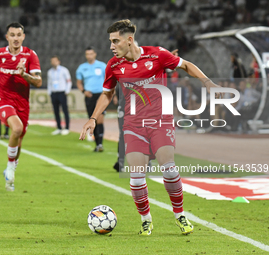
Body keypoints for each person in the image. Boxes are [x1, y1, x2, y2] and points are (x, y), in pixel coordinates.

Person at [80, 19, 222, 236]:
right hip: (134, 125)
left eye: (115, 41)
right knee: (136, 178)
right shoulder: (114, 66)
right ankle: (146, 219)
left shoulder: (157, 55)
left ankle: (180, 214)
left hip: (160, 122)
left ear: (129, 40)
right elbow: (107, 93)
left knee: (169, 169)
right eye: (110, 41)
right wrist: (92, 117)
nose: (111, 46)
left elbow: (186, 65)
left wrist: (207, 82)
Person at [0, 22, 42, 191]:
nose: (16, 38)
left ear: (23, 36)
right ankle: (11, 168)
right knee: (17, 128)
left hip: (22, 102)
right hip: (2, 99)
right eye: (12, 35)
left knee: (18, 141)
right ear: (7, 37)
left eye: (19, 35)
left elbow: (38, 82)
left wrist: (24, 74)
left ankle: (10, 169)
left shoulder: (30, 55)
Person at [76, 46, 106, 152]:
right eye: (87, 54)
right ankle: (97, 144)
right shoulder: (81, 68)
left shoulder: (102, 66)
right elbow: (79, 82)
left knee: (100, 118)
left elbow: (108, 81)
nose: (89, 56)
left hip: (101, 95)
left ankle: (100, 144)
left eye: (91, 54)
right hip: (89, 96)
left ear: (95, 54)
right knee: (92, 119)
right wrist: (84, 91)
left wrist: (111, 94)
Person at [47, 55, 72, 135]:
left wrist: (67, 91)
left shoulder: (64, 70)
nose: (53, 62)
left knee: (65, 110)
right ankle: (59, 127)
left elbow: (68, 81)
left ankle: (67, 127)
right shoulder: (50, 72)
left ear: (58, 61)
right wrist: (49, 92)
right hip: (54, 93)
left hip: (62, 92)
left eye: (55, 60)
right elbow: (49, 83)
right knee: (56, 111)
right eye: (52, 61)